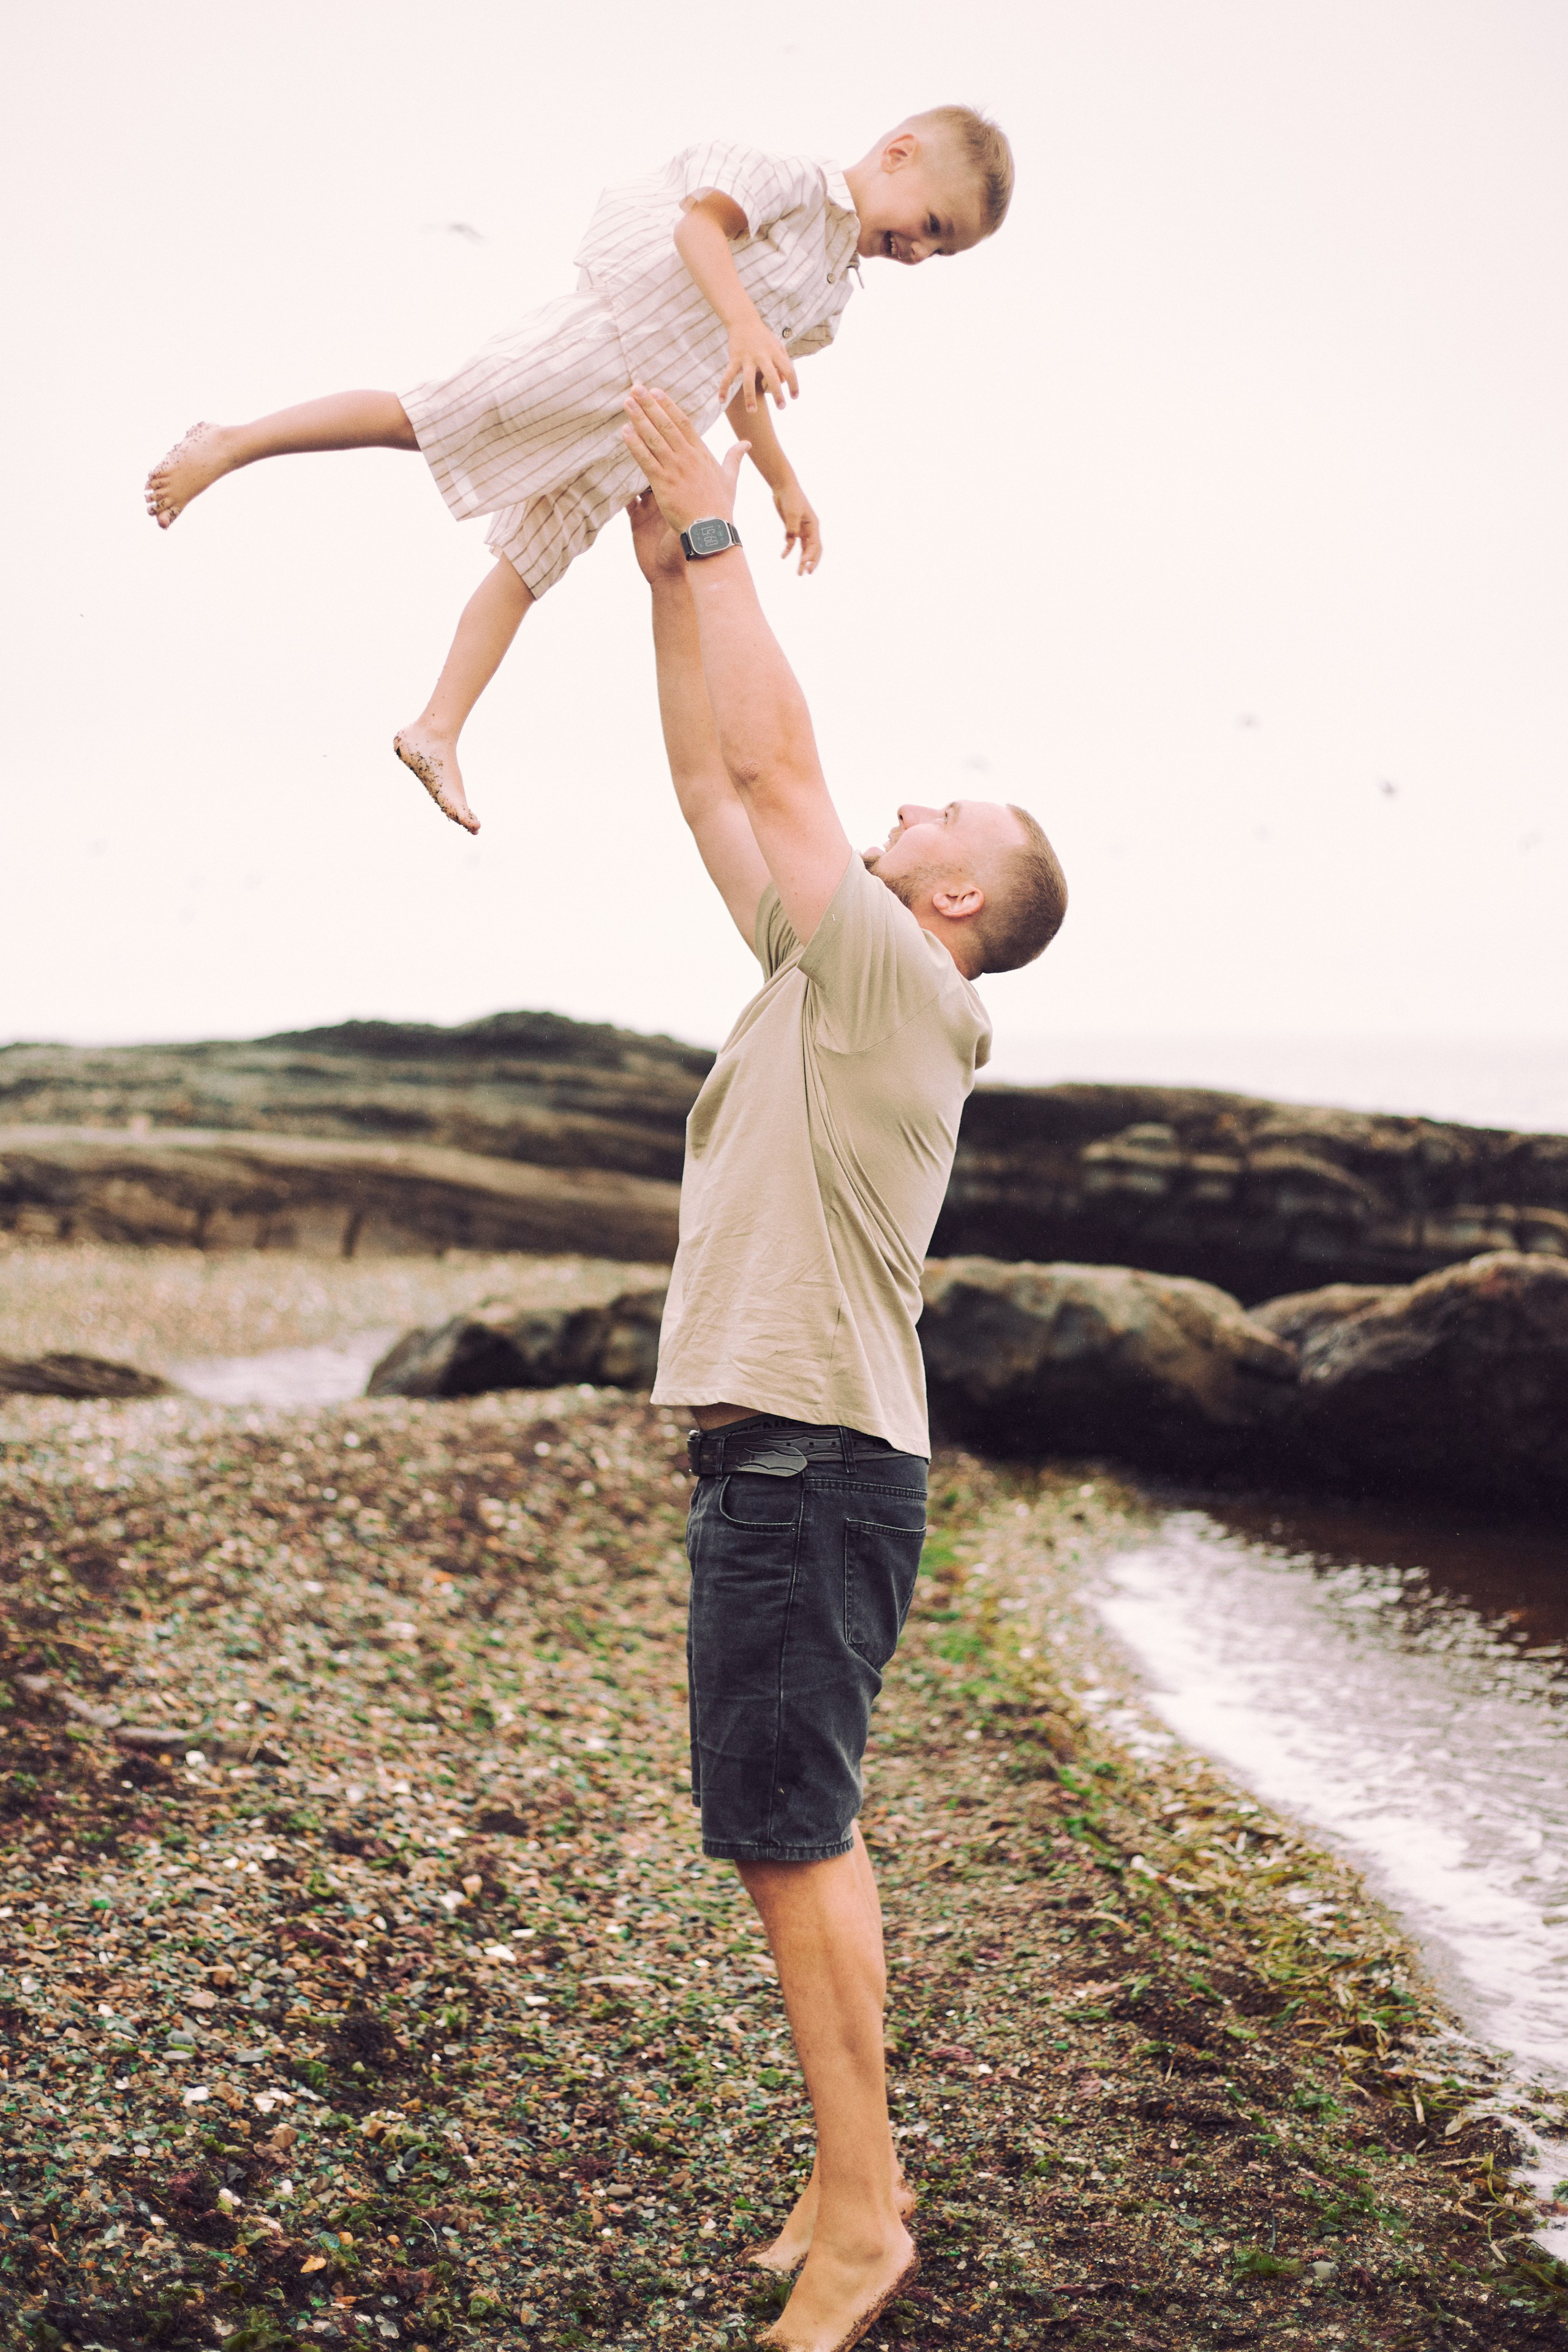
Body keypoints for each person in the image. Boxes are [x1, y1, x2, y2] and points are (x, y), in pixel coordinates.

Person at [621, 385, 1066, 2352]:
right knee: (778, 1830)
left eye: (932, 824)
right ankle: (837, 2181)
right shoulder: (830, 974)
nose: (896, 819)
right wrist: (659, 579)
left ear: (954, 898)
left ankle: (870, 2220)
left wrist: (719, 528)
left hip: (811, 1462)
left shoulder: (901, 977)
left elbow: (781, 764)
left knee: (794, 1835)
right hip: (785, 1462)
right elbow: (724, 797)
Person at [143, 107, 1013, 836]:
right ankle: (232, 442)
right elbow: (697, 226)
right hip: (604, 347)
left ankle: (437, 726)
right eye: (934, 226)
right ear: (899, 153)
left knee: (529, 566)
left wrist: (785, 481)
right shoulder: (792, 183)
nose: (923, 254)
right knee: (425, 417)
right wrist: (745, 319)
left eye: (945, 252)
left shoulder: (829, 296)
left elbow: (743, 386)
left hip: (641, 429)